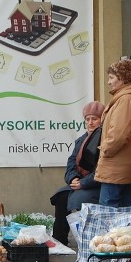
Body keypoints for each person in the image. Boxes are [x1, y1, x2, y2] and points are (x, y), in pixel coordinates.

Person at [50, 101, 104, 244]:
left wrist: (83, 183)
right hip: (80, 183)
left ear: (102, 120)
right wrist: (72, 178)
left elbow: (103, 170)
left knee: (75, 200)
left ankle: (87, 243)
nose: (90, 123)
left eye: (94, 119)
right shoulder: (81, 140)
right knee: (61, 197)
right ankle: (59, 241)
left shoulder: (105, 140)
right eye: (87, 119)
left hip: (97, 186)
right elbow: (71, 163)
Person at [96, 58, 131, 207]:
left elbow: (119, 134)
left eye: (112, 77)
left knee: (109, 214)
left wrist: (105, 150)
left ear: (123, 79)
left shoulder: (126, 100)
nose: (109, 82)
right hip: (124, 166)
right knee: (124, 214)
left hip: (116, 167)